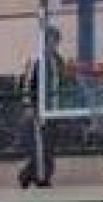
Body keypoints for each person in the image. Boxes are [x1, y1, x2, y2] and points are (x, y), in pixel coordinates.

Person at [19, 26, 71, 189]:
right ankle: (42, 179)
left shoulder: (59, 61)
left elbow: (62, 85)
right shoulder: (35, 59)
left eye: (56, 41)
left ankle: (27, 174)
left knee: (48, 147)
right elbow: (27, 84)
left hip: (54, 112)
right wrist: (28, 106)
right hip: (37, 111)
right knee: (39, 147)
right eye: (50, 40)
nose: (53, 44)